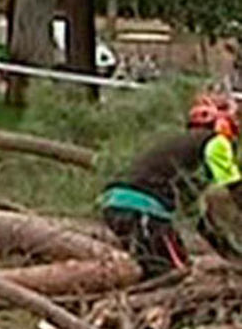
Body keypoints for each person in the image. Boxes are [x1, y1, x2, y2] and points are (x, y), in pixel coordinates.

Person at [99, 94, 242, 277]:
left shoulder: (184, 155)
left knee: (162, 265)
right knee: (175, 275)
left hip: (118, 203)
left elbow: (200, 220)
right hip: (142, 209)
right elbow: (235, 188)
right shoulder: (215, 142)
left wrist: (230, 253)